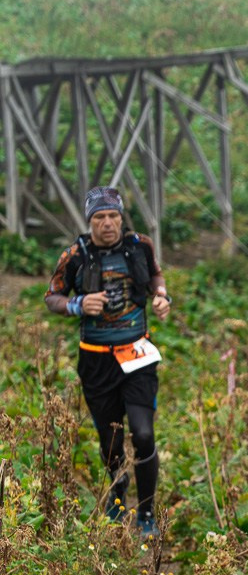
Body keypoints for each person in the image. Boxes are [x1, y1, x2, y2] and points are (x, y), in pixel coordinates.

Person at [45, 186, 171, 540]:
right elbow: (51, 296)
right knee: (111, 441)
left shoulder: (139, 245)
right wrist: (76, 305)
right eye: (99, 218)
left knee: (143, 434)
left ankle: (146, 512)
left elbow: (156, 276)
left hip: (137, 356)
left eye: (113, 216)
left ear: (121, 217)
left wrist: (161, 297)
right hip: (96, 361)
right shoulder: (75, 255)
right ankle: (116, 498)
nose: (107, 224)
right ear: (90, 222)